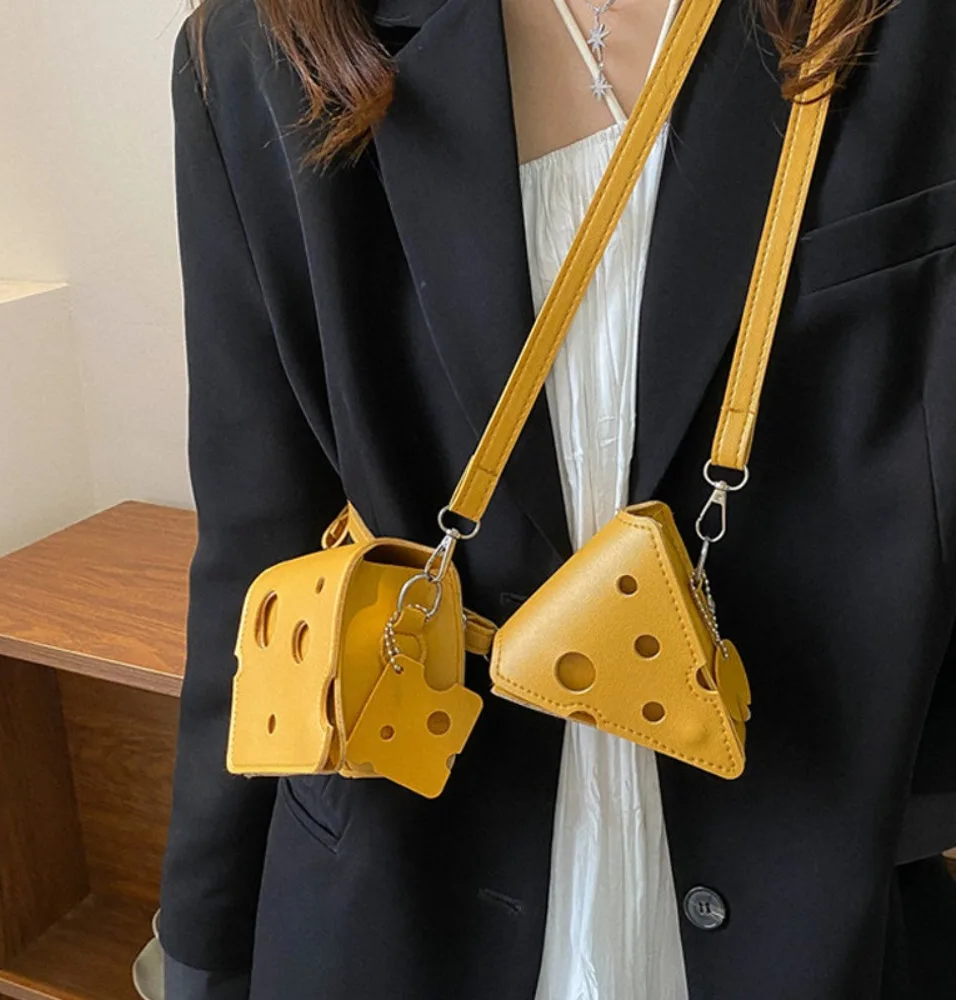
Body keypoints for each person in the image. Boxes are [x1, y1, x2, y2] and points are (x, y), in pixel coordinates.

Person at [158, 0, 956, 997]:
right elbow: (256, 548)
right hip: (399, 881)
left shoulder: (906, 31)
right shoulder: (255, 53)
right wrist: (203, 946)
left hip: (806, 870)